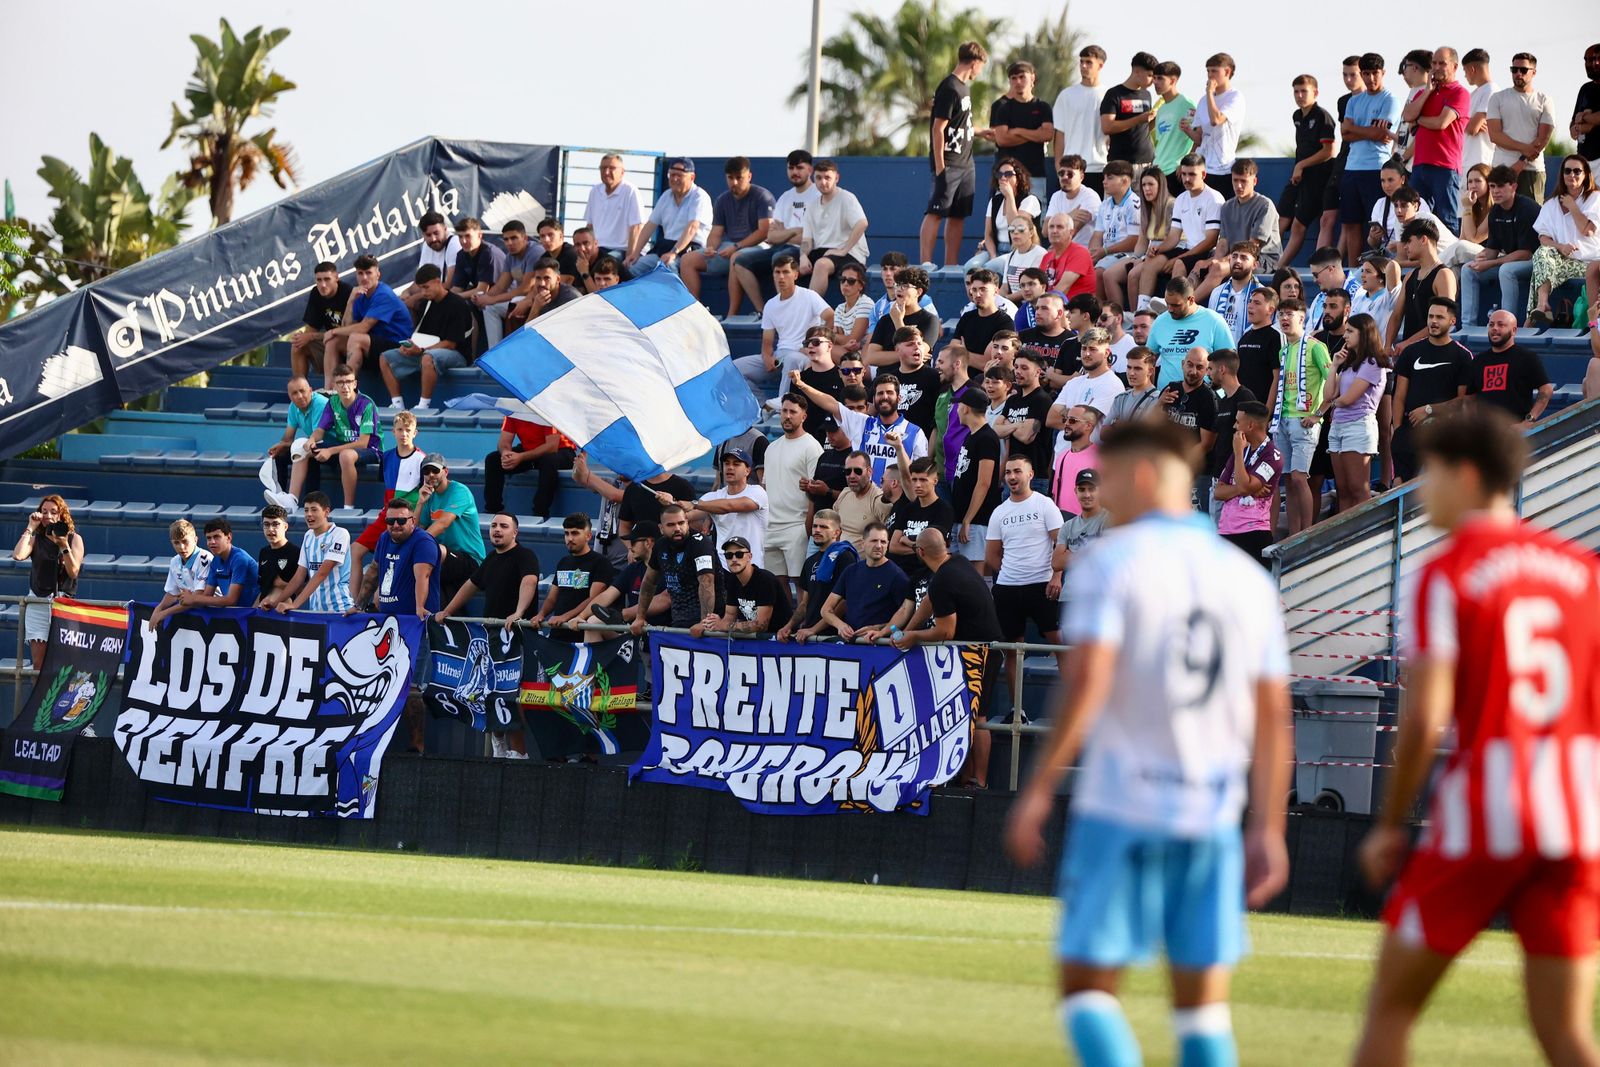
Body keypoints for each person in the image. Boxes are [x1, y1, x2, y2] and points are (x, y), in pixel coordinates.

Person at [1005, 417, 1291, 1067]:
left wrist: (1040, 787)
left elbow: (1087, 682)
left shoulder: (1113, 561)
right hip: (1211, 812)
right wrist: (1268, 826)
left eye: (1106, 481)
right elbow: (1275, 718)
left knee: (1086, 992)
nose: (1099, 495)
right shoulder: (1247, 577)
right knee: (1201, 1010)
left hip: (1122, 806)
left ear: (1140, 477)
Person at [1351, 408, 1600, 1067]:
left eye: (1428, 473)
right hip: (1577, 816)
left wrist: (1389, 821)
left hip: (1491, 806)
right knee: (1566, 1034)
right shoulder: (1582, 571)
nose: (1420, 487)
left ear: (1465, 475)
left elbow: (1427, 711)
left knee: (1390, 1011)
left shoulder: (1448, 571)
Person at [987, 452, 1068, 690]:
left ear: (1030, 475)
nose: (1012, 477)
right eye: (1008, 472)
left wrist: (1056, 576)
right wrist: (1013, 572)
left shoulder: (1044, 504)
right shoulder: (999, 511)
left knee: (1058, 644)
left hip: (1041, 585)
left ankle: (1069, 705)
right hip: (1008, 588)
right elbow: (991, 555)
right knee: (1012, 650)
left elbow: (1061, 545)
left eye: (1017, 471)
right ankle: (1016, 711)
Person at [791, 369, 928, 486]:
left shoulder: (915, 433)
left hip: (899, 503)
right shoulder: (862, 424)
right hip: (865, 502)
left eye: (889, 393)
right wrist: (801, 385)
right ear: (873, 400)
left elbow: (920, 476)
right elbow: (830, 404)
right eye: (880, 393)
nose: (884, 397)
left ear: (899, 398)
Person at [730, 149, 819, 316]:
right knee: (740, 262)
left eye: (799, 168)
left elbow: (812, 236)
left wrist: (785, 232)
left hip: (806, 250)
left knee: (779, 258)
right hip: (782, 247)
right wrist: (794, 231)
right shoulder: (785, 197)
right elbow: (771, 237)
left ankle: (784, 311)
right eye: (791, 168)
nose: (795, 172)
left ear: (810, 170)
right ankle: (763, 311)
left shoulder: (818, 195)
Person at [922, 41, 987, 268]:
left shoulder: (964, 88)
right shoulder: (949, 87)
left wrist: (980, 132)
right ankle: (927, 262)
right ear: (975, 63)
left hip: (966, 162)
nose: (980, 70)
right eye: (981, 65)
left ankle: (951, 263)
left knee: (958, 214)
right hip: (949, 161)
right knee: (936, 212)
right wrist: (940, 167)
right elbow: (938, 128)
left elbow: (959, 122)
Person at [679, 156, 776, 309]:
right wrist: (710, 248)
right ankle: (696, 310)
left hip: (759, 247)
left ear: (749, 176)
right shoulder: (723, 200)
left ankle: (732, 314)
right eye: (730, 178)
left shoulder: (762, 197)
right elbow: (716, 233)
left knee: (736, 258)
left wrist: (737, 247)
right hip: (729, 247)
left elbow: (764, 232)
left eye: (739, 178)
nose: (734, 182)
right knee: (687, 260)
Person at [1391, 300, 1472, 482]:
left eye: (1440, 317)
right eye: (1431, 316)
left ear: (1452, 321)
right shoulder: (1411, 352)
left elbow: (1463, 401)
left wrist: (1429, 409)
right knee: (1399, 485)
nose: (1433, 321)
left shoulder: (1463, 356)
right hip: (1408, 432)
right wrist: (1397, 430)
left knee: (1432, 490)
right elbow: (1399, 396)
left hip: (1444, 434)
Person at [377, 264, 473, 412]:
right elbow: (422, 335)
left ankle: (423, 406)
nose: (423, 292)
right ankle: (397, 404)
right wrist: (410, 346)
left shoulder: (457, 304)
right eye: (420, 288)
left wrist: (421, 350)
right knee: (385, 358)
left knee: (428, 357)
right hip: (427, 351)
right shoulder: (426, 304)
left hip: (458, 355)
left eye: (426, 287)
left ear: (437, 281)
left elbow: (452, 344)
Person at [734, 254, 831, 397]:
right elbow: (767, 342)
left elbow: (830, 316)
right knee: (735, 368)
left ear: (796, 275)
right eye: (777, 272)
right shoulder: (770, 304)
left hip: (803, 355)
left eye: (786, 272)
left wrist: (815, 346)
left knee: (793, 358)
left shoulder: (809, 296)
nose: (781, 277)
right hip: (780, 356)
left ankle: (783, 405)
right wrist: (767, 357)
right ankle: (762, 405)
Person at [1273, 299, 1331, 536]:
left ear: (1302, 318)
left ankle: (1306, 534)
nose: (1284, 319)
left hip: (1304, 421)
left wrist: (1319, 414)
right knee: (1288, 480)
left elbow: (1333, 381)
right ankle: (1293, 535)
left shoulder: (1316, 347)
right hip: (1283, 420)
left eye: (1290, 314)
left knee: (1299, 478)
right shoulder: (1283, 350)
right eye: (1281, 314)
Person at [1321, 313, 1390, 514]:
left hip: (1358, 426)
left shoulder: (1373, 363)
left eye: (1350, 331)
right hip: (1338, 427)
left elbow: (1347, 398)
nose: (1345, 335)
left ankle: (1365, 534)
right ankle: (1345, 537)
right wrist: (1334, 366)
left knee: (1358, 488)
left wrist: (1332, 404)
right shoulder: (1350, 364)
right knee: (1343, 490)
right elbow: (1328, 395)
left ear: (1365, 333)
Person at [1134, 155, 1223, 305]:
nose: (1187, 179)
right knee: (1152, 260)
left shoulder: (1213, 199)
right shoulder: (1181, 198)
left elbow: (1210, 241)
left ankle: (1172, 304)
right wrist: (1157, 249)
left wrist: (1178, 258)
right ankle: (1142, 309)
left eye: (1192, 174)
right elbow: (1173, 236)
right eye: (1184, 174)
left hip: (1207, 251)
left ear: (1203, 174)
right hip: (1187, 249)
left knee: (1179, 263)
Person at [1341, 55, 1403, 271]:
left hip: (1376, 167)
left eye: (1374, 73)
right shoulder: (1353, 100)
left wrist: (1356, 129)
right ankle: (1353, 271)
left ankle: (1374, 268)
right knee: (1351, 222)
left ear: (1382, 73)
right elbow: (1344, 133)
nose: (1370, 78)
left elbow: (1380, 133)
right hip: (1351, 167)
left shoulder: (1390, 99)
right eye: (1365, 73)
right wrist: (1368, 131)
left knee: (1375, 223)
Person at [1461, 165, 1543, 326]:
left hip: (1538, 262)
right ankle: (1467, 326)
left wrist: (1491, 262)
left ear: (1513, 186)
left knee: (1506, 270)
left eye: (1500, 186)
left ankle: (1506, 324)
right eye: (1492, 186)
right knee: (1467, 269)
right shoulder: (1496, 212)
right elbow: (1493, 249)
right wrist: (1482, 257)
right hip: (1513, 260)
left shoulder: (1527, 209)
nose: (1496, 191)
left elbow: (1526, 254)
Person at [1193, 161, 1281, 305]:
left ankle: (1186, 304)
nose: (1239, 186)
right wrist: (1214, 260)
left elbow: (1252, 246)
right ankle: (1180, 297)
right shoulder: (1227, 206)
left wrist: (1221, 261)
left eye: (1243, 181)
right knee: (1199, 264)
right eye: (1235, 180)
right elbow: (1223, 242)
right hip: (1235, 257)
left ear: (1254, 181)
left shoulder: (1265, 205)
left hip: (1262, 259)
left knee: (1219, 268)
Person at [1527, 156, 1600, 326]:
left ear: (1586, 174)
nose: (1572, 175)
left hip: (1589, 264)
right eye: (1568, 171)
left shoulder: (1595, 198)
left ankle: (1531, 319)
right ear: (1562, 174)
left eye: (1577, 171)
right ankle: (1542, 303)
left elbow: (1587, 230)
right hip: (1562, 260)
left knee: (1538, 271)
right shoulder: (1551, 203)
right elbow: (1543, 237)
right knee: (1542, 253)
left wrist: (1572, 206)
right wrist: (1560, 247)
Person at [12, 494, 84, 667]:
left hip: (63, 603)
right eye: (44, 511)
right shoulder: (36, 539)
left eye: (53, 511)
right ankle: (39, 694)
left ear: (61, 515)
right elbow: (18, 555)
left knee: (65, 661)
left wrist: (63, 545)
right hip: (38, 602)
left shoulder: (74, 539)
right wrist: (30, 527)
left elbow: (73, 572)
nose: (48, 516)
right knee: (39, 663)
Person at [1406, 48, 1471, 235]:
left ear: (1454, 66)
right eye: (1434, 63)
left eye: (1442, 63)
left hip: (1445, 165)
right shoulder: (1426, 93)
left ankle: (1449, 262)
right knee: (1417, 219)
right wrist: (1427, 91)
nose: (1436, 67)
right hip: (1420, 165)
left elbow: (1441, 123)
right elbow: (1407, 115)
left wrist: (1419, 121)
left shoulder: (1460, 92)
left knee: (1446, 219)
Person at [318, 256, 411, 387]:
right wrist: (350, 301)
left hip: (398, 346)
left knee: (356, 338)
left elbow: (363, 328)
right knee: (333, 341)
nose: (364, 277)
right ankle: (329, 390)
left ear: (378, 274)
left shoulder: (383, 294)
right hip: (372, 345)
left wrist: (333, 330)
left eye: (368, 273)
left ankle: (347, 389)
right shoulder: (359, 294)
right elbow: (346, 327)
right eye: (360, 273)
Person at [763, 393, 824, 585]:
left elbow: (815, 491)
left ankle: (803, 617)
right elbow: (765, 487)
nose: (787, 416)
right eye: (784, 411)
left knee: (801, 583)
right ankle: (784, 617)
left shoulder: (812, 447)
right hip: (770, 526)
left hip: (796, 526)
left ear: (803, 416)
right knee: (775, 585)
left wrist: (806, 528)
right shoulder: (771, 448)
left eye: (792, 412)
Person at [1280, 75, 1339, 268]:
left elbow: (1329, 151)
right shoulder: (1297, 116)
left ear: (1315, 93)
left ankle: (1315, 266)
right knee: (1281, 218)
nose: (1299, 95)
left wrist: (1302, 165)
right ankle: (1271, 264)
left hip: (1319, 177)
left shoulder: (1322, 116)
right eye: (1296, 91)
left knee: (1304, 223)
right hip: (1300, 177)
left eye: (1303, 91)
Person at [1214, 401, 1281, 566]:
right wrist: (1243, 488)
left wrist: (1237, 454)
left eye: (1238, 422)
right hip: (1226, 531)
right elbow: (1218, 492)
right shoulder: (1241, 450)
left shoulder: (1272, 455)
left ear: (1250, 425)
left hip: (1253, 533)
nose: (1235, 426)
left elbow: (1244, 488)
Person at [818, 521, 910, 641]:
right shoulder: (850, 571)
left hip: (880, 646)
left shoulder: (897, 576)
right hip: (850, 644)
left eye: (883, 542)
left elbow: (906, 615)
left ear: (888, 545)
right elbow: (825, 610)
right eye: (874, 541)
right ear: (863, 543)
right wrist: (841, 626)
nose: (879, 546)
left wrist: (881, 629)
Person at [308, 364, 383, 509]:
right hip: (344, 448)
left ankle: (348, 507)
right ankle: (307, 502)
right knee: (309, 451)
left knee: (346, 456)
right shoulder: (332, 402)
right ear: (334, 386)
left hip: (371, 450)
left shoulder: (366, 404)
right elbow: (320, 430)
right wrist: (311, 440)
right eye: (340, 383)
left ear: (355, 383)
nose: (345, 386)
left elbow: (362, 443)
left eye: (349, 382)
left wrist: (330, 451)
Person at [534, 513, 616, 643]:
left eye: (575, 533)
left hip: (583, 634)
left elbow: (594, 600)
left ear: (588, 536)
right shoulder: (563, 562)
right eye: (566, 533)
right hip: (559, 633)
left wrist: (565, 617)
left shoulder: (600, 562)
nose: (570, 538)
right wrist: (541, 614)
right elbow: (552, 597)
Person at [1461, 309, 1553, 425]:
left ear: (1514, 330)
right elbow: (1469, 399)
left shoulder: (1527, 358)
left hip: (1515, 434)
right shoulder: (1478, 361)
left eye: (1501, 325)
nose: (1494, 328)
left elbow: (1546, 390)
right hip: (1485, 434)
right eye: (1491, 325)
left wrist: (1528, 421)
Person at [778, 510, 858, 643]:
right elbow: (804, 603)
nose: (817, 530)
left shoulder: (844, 556)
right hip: (808, 636)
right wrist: (788, 626)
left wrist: (814, 629)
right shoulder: (810, 561)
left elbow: (845, 602)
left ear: (837, 532)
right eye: (815, 526)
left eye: (824, 527)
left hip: (834, 636)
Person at [1487, 54, 1557, 203]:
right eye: (1514, 69)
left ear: (1534, 72)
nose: (1518, 73)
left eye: (1523, 70)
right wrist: (1524, 149)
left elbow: (1543, 138)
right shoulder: (1497, 98)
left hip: (1533, 170)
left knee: (1532, 219)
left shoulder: (1544, 99)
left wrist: (1522, 161)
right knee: (1500, 218)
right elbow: (1494, 135)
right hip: (1502, 168)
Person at [416, 454, 485, 603]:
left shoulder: (459, 491)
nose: (431, 475)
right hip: (446, 559)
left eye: (435, 470)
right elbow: (416, 529)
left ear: (445, 472)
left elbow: (443, 524)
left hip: (470, 559)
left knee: (431, 551)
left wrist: (414, 546)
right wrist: (420, 503)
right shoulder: (428, 496)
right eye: (426, 472)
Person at [885, 455, 954, 605]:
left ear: (935, 481)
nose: (917, 485)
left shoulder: (943, 510)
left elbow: (935, 549)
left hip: (928, 576)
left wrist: (906, 540)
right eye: (914, 479)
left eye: (923, 480)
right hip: (901, 573)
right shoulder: (909, 509)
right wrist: (920, 546)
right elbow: (893, 546)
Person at [482, 411, 575, 523]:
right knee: (493, 460)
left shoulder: (545, 410)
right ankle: (493, 510)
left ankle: (540, 511)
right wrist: (506, 453)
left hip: (562, 450)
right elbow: (504, 442)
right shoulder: (513, 411)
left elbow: (552, 446)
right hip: (530, 449)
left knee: (548, 460)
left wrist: (521, 457)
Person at [625, 157, 712, 275]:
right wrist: (635, 253)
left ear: (692, 177)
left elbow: (692, 228)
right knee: (633, 268)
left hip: (689, 250)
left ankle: (674, 293)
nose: (674, 179)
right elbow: (650, 226)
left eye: (679, 175)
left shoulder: (699, 197)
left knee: (668, 267)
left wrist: (674, 252)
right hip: (665, 248)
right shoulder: (666, 196)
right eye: (671, 175)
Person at [1102, 167, 1173, 309]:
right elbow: (1142, 241)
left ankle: (1138, 315)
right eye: (1143, 185)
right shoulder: (1145, 209)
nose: (1146, 189)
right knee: (1109, 275)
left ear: (1161, 185)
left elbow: (1172, 238)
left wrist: (1144, 257)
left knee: (1133, 274)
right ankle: (1119, 316)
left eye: (1150, 184)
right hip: (1149, 251)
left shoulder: (1171, 205)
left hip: (1167, 250)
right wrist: (1135, 257)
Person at [798, 159, 870, 296]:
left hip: (850, 253)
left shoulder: (847, 198)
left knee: (821, 265)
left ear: (836, 178)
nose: (823, 182)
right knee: (786, 267)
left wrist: (843, 250)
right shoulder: (812, 205)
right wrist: (803, 256)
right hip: (823, 251)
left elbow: (862, 223)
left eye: (827, 178)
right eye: (818, 178)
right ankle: (785, 314)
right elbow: (807, 239)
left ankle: (811, 314)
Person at [1386, 219, 1458, 356]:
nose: (1405, 247)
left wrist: (1409, 343)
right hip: (1409, 354)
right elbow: (1396, 315)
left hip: (1434, 354)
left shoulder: (1444, 275)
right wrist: (1388, 345)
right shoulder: (1409, 277)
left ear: (1423, 239)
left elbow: (1444, 320)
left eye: (1409, 241)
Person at [687, 448, 770, 564]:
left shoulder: (757, 492)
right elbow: (688, 515)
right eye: (727, 464)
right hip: (723, 567)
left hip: (752, 566)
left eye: (736, 464)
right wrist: (673, 503)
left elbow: (729, 506)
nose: (730, 467)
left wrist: (694, 504)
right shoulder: (712, 497)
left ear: (747, 470)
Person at [273, 493, 352, 615]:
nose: (309, 514)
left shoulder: (340, 534)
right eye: (306, 510)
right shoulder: (308, 536)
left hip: (340, 610)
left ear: (326, 512)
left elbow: (322, 573)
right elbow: (299, 575)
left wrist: (295, 604)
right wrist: (275, 603)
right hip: (316, 612)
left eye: (314, 510)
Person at [1161, 347, 1219, 509]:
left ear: (1207, 370)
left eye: (1199, 367)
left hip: (1198, 473)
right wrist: (1159, 403)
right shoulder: (1171, 388)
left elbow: (1207, 444)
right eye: (1190, 365)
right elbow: (1154, 424)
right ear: (1182, 364)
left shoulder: (1209, 397)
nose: (1193, 371)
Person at [1147, 276, 1232, 388]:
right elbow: (1148, 361)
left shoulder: (1214, 321)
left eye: (1176, 305)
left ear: (1191, 300)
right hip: (1166, 397)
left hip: (1203, 399)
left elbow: (1229, 362)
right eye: (1167, 303)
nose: (1170, 309)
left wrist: (1218, 392)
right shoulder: (1160, 321)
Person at [979, 59, 1055, 182]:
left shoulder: (1043, 107)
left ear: (1032, 78)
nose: (1018, 82)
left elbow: (1047, 134)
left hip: (1035, 175)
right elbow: (1002, 139)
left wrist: (1017, 131)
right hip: (1007, 176)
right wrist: (1035, 134)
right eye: (1013, 78)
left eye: (1022, 77)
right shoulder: (1003, 108)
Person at [1184, 53, 1248, 198]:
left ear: (1227, 72)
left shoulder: (1235, 97)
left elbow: (1216, 120)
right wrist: (1187, 130)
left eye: (1214, 71)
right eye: (1208, 71)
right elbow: (1200, 138)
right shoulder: (1203, 100)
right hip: (1201, 166)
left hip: (1222, 168)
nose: (1210, 75)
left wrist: (1210, 93)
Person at [950, 389, 1000, 572]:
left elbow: (984, 482)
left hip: (976, 520)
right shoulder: (971, 436)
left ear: (966, 408)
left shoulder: (987, 438)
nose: (956, 410)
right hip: (963, 516)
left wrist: (968, 519)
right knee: (960, 572)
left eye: (959, 405)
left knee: (975, 574)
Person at [701, 536, 789, 637]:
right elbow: (729, 617)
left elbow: (761, 625)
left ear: (750, 557)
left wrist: (724, 626)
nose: (734, 559)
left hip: (780, 640)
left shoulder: (765, 580)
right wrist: (713, 623)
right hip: (755, 642)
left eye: (739, 554)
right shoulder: (733, 580)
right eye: (729, 555)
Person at [368, 498, 439, 623]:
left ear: (413, 521)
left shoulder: (423, 541)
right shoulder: (384, 537)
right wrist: (359, 605)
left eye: (401, 521)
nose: (395, 525)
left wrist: (420, 606)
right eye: (390, 521)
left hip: (415, 622)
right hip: (387, 620)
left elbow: (423, 576)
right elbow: (373, 572)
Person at [1052, 45, 1109, 196]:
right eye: (1081, 62)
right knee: (1068, 218)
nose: (1083, 66)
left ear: (1100, 65)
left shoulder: (1108, 95)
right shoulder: (1066, 95)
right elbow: (1059, 134)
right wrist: (1059, 168)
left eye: (1089, 62)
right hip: (1071, 170)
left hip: (1100, 168)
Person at [968, 156, 1041, 272]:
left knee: (990, 268)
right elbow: (988, 234)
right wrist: (992, 255)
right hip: (996, 248)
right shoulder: (995, 201)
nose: (1003, 178)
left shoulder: (1030, 200)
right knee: (970, 267)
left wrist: (1010, 196)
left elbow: (1016, 226)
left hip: (1018, 250)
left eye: (1008, 174)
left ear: (1018, 178)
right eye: (999, 175)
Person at [265, 376, 327, 509]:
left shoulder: (320, 403)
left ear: (310, 390)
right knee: (280, 456)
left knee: (309, 455)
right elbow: (288, 438)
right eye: (294, 393)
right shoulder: (294, 407)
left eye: (302, 391)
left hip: (331, 445)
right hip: (313, 444)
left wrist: (292, 444)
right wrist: (281, 446)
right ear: (289, 395)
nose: (299, 396)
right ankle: (280, 499)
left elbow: (318, 435)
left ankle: (310, 503)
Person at [479, 221, 543, 345]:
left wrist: (492, 300)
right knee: (487, 307)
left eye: (514, 238)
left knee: (502, 304)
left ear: (524, 238)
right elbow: (501, 286)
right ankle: (493, 353)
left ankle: (502, 354)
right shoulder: (510, 256)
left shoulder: (535, 251)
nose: (509, 243)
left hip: (536, 299)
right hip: (520, 299)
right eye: (506, 239)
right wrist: (484, 298)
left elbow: (525, 288)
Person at [146, 519, 215, 631]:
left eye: (185, 541)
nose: (181, 547)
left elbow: (197, 599)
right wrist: (158, 610)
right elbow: (173, 594)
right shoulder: (174, 561)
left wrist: (164, 613)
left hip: (215, 613)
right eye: (176, 543)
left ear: (195, 540)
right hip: (195, 618)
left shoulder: (205, 559)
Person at [290, 261, 353, 382]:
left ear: (336, 278)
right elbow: (310, 330)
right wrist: (302, 336)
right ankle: (300, 388)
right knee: (298, 345)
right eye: (319, 280)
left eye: (327, 279)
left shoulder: (348, 293)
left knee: (333, 341)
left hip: (349, 344)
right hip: (329, 342)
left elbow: (350, 332)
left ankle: (332, 390)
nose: (323, 285)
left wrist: (312, 336)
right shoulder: (316, 294)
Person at [178, 518, 260, 612]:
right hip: (238, 614)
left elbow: (231, 600)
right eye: (209, 538)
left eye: (216, 537)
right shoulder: (215, 561)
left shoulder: (240, 559)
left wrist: (194, 599)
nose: (212, 542)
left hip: (256, 614)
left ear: (228, 538)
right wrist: (190, 597)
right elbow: (206, 597)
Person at [865, 265, 940, 365]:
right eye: (897, 285)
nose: (899, 289)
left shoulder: (929, 320)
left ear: (918, 292)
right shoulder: (885, 320)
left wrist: (898, 321)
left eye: (905, 285)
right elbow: (871, 357)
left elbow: (916, 351)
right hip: (888, 377)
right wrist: (907, 355)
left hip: (915, 378)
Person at [1087, 162, 1143, 290]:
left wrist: (1105, 251)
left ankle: (1113, 309)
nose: (1104, 182)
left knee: (1100, 274)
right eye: (1104, 177)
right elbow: (1097, 234)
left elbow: (1134, 241)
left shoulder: (1134, 205)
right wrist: (1093, 253)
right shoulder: (1105, 204)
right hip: (1106, 253)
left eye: (1110, 178)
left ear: (1124, 181)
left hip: (1128, 254)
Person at [1099, 53, 1158, 169]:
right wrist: (1138, 119)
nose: (1153, 81)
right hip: (1121, 163)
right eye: (1150, 75)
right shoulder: (1114, 94)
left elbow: (1143, 128)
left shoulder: (1147, 95)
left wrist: (1154, 120)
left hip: (1147, 162)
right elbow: (1107, 127)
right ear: (1137, 72)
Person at [583, 153, 644, 256]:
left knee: (605, 265)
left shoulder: (630, 191)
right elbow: (590, 226)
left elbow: (637, 227)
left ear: (622, 172)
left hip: (620, 250)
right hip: (597, 248)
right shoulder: (595, 191)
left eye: (612, 168)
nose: (606, 172)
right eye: (603, 168)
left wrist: (629, 257)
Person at [1203, 242, 1263, 343]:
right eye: (1234, 256)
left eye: (1243, 258)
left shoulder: (1262, 295)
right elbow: (1211, 327)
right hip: (1221, 355)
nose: (1237, 261)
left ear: (1254, 265)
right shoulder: (1217, 292)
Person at [1234, 287, 1281, 405]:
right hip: (1241, 407)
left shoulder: (1275, 337)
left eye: (1257, 303)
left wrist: (1268, 411)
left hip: (1261, 408)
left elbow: (1278, 378)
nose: (1250, 306)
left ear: (1270, 310)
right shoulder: (1244, 338)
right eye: (1250, 301)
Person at [1045, 155, 1103, 248]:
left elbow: (1072, 231)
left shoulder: (1090, 196)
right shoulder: (1056, 196)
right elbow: (1045, 230)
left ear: (1081, 177)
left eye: (1070, 174)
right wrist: (1069, 216)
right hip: (1062, 248)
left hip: (1084, 251)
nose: (1064, 177)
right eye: (1061, 173)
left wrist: (1056, 221)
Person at [1055, 469, 1110, 562]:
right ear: (1076, 491)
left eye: (1091, 489)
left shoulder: (1109, 520)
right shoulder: (1067, 526)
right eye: (1082, 489)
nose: (1087, 495)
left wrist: (1070, 554)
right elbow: (1056, 562)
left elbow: (1107, 557)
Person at [408, 213, 460, 310]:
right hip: (433, 294)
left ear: (445, 229)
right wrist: (407, 292)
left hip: (453, 296)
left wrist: (415, 297)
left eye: (436, 233)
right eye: (428, 235)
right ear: (423, 235)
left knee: (414, 303)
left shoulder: (454, 243)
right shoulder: (426, 246)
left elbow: (449, 285)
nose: (433, 239)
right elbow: (420, 280)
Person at [1461, 49, 1500, 176]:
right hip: (1466, 161)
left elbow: (1473, 128)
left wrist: (1464, 122)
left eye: (1465, 71)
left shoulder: (1491, 91)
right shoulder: (1475, 94)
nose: (1465, 76)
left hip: (1480, 162)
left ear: (1472, 69)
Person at [1350, 254, 1404, 341]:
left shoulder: (1388, 298)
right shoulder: (1358, 298)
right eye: (1362, 271)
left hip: (1380, 352)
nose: (1362, 275)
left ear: (1381, 277)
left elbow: (1393, 266)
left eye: (1368, 271)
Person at [831, 262, 874, 355]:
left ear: (861, 286)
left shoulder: (865, 303)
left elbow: (852, 339)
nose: (845, 284)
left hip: (864, 354)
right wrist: (838, 339)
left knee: (825, 351)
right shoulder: (839, 308)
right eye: (842, 280)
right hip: (847, 351)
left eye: (851, 281)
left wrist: (829, 334)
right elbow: (842, 342)